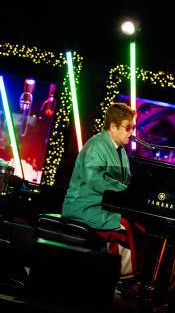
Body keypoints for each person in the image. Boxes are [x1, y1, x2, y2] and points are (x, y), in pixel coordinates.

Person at [62, 103, 144, 282]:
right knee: (123, 227)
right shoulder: (96, 146)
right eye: (128, 127)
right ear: (113, 126)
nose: (131, 131)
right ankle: (125, 280)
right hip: (85, 207)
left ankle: (135, 277)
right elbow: (95, 179)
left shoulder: (120, 150)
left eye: (134, 127)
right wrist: (126, 191)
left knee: (142, 227)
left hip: (102, 206)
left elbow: (126, 181)